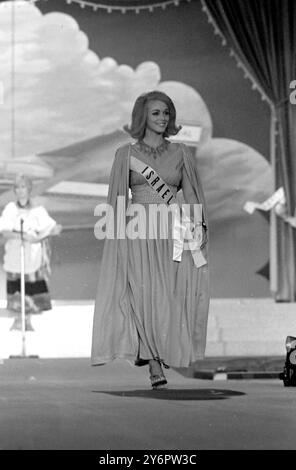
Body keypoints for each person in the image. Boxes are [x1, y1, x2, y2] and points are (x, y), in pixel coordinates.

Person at [91, 91, 209, 389]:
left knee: (168, 295)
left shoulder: (181, 152)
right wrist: (116, 239)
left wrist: (198, 224)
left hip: (172, 231)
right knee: (142, 295)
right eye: (156, 113)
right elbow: (117, 200)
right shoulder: (125, 154)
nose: (163, 118)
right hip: (138, 231)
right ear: (143, 116)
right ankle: (154, 363)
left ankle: (159, 350)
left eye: (166, 112)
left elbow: (191, 193)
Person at [0, 174, 62, 331]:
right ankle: (18, 320)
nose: (20, 191)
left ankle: (27, 320)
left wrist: (52, 230)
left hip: (32, 257)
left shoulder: (38, 210)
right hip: (15, 255)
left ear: (29, 189)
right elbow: (5, 231)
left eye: (23, 187)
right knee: (16, 289)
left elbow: (50, 227)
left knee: (31, 289)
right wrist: (22, 236)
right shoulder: (10, 209)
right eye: (17, 188)